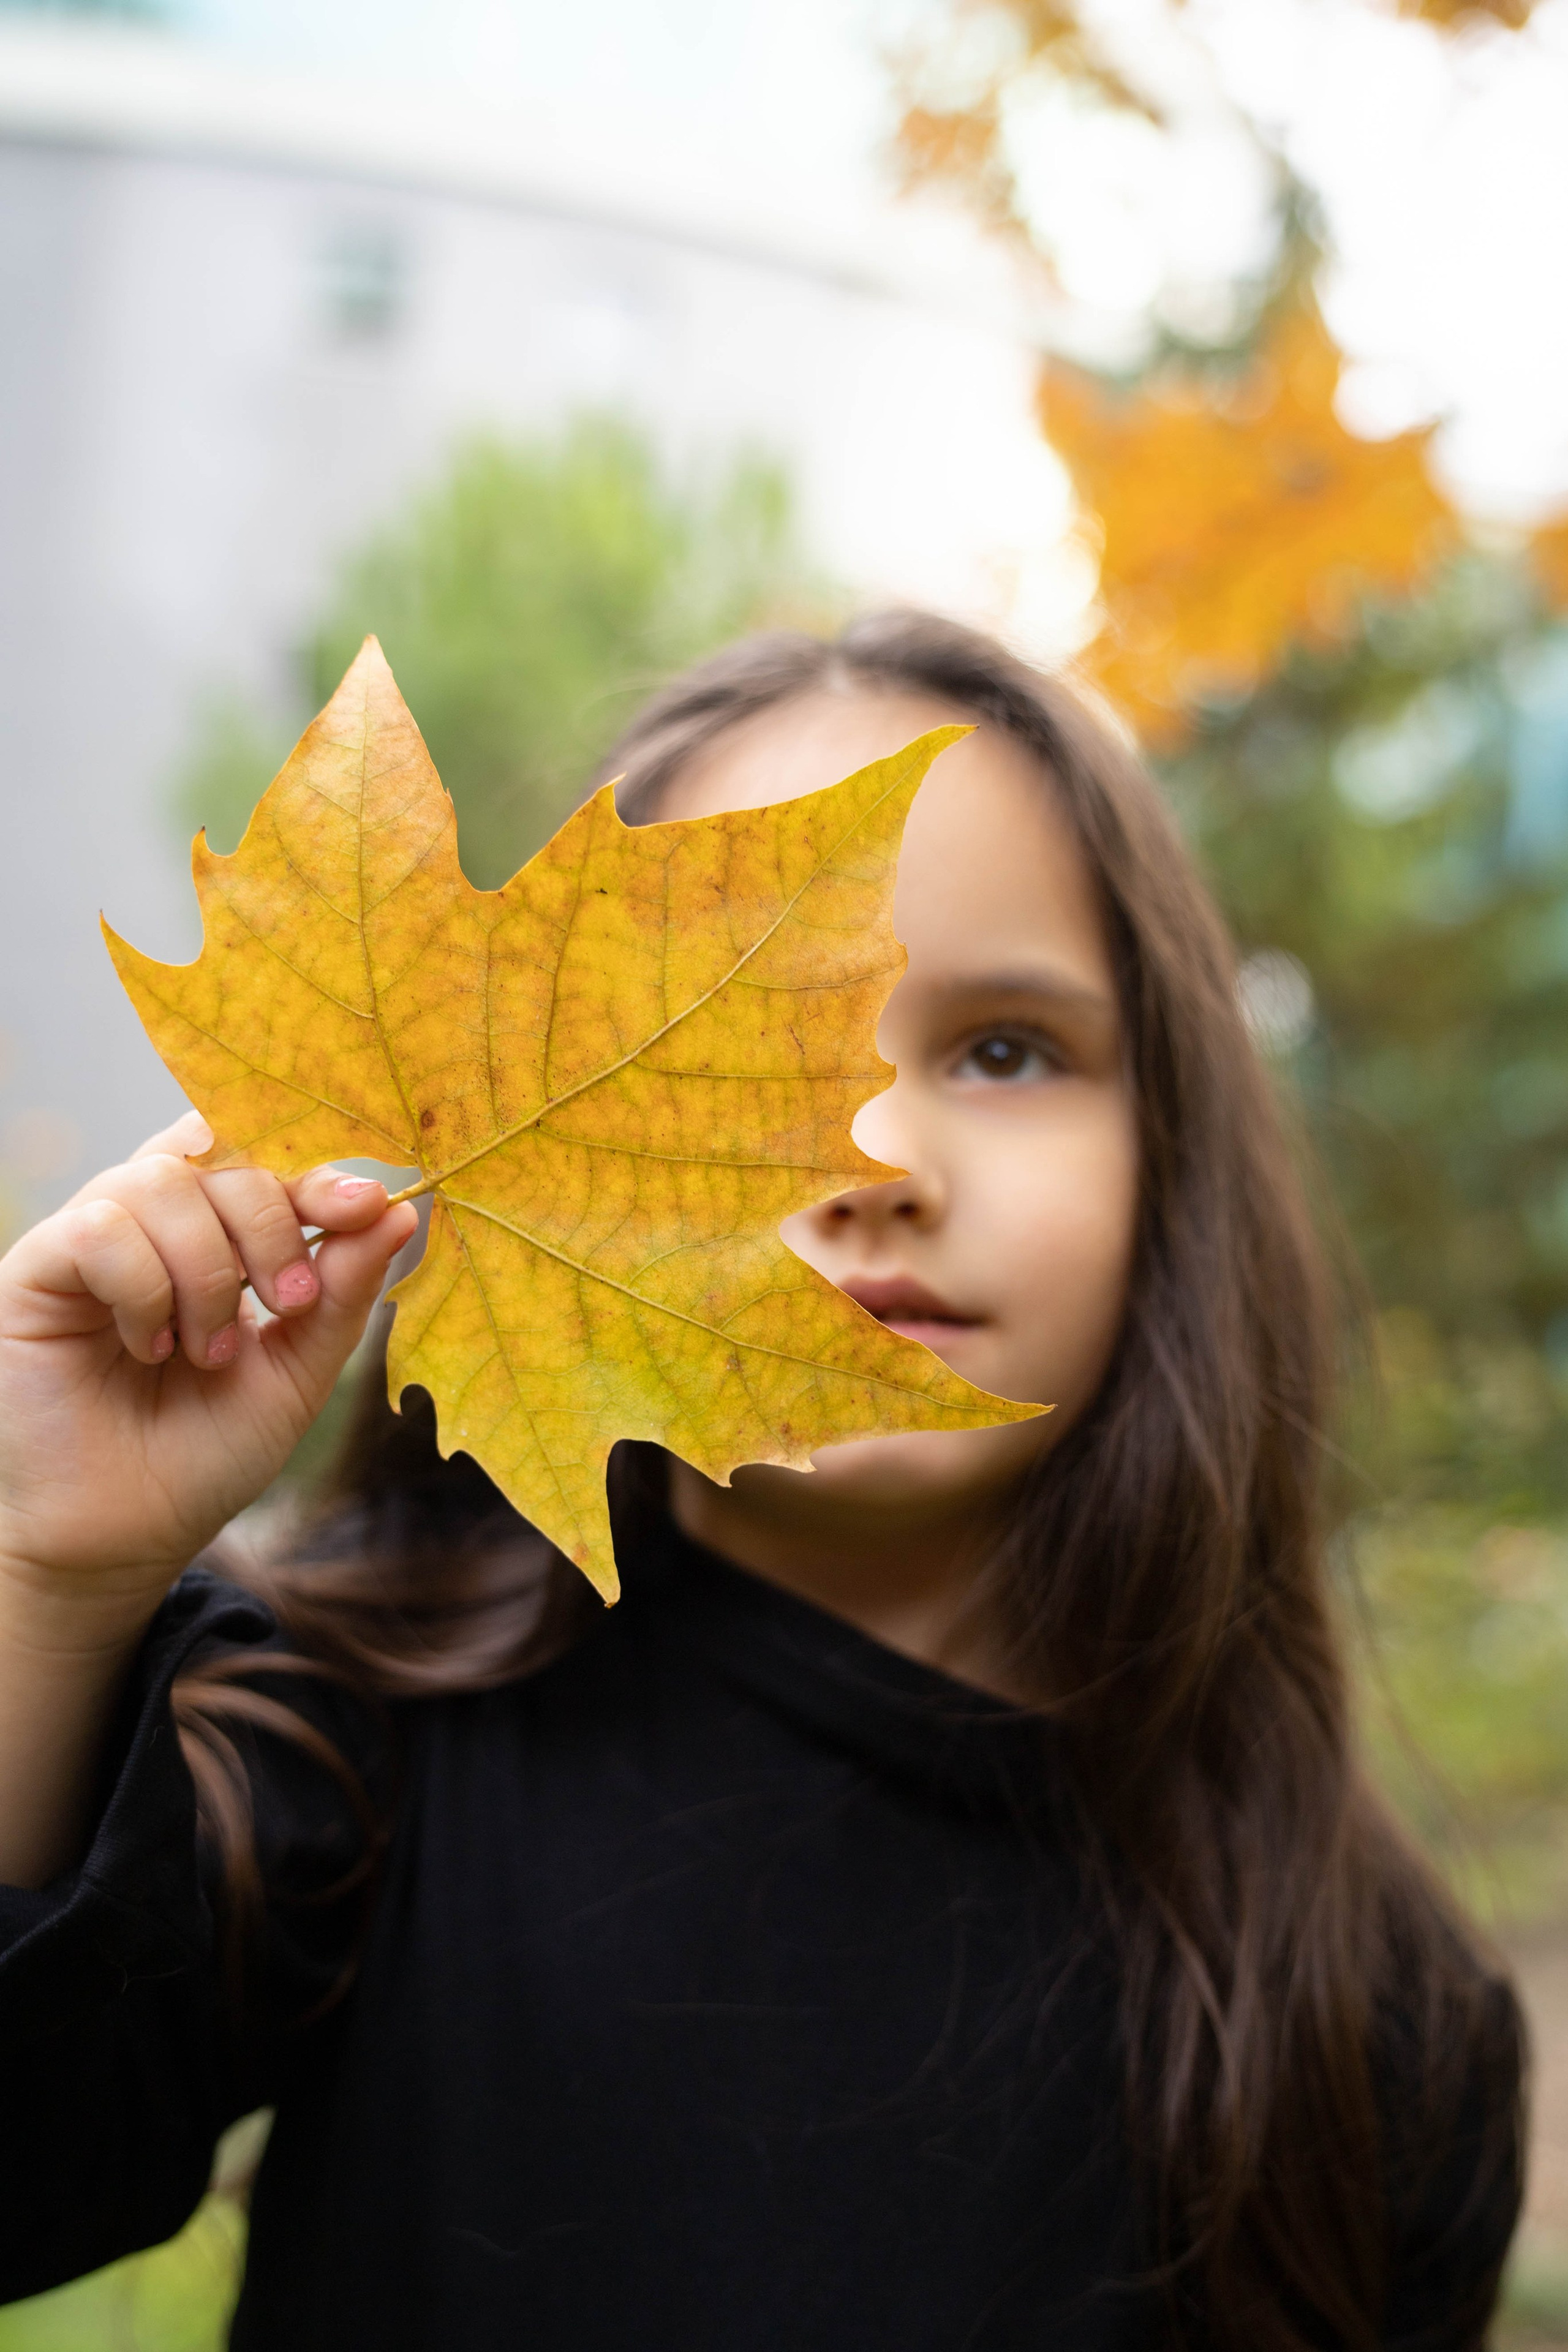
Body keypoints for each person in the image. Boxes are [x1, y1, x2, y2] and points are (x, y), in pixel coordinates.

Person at [0, 612, 1523, 2350]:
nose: (872, 1157)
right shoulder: (341, 1737)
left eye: (1005, 1049)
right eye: (766, 1063)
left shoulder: (1372, 2012)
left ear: (1175, 1149)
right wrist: (49, 1578)